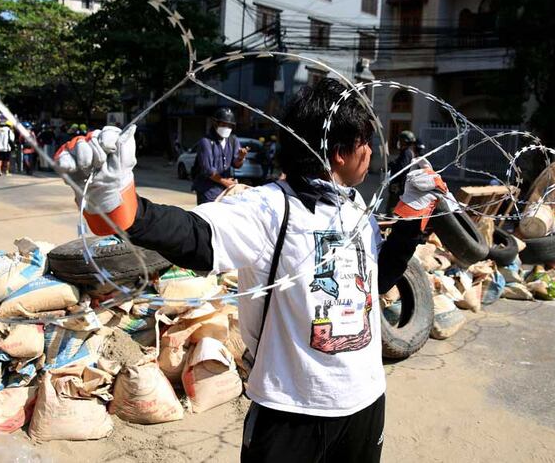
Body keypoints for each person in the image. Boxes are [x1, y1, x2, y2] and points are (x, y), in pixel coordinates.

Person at [55, 78, 455, 462]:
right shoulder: (270, 209)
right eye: (364, 142)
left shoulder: (355, 212)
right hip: (290, 411)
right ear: (339, 152)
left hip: (365, 404)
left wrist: (412, 214)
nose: (370, 152)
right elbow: (193, 236)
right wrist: (119, 203)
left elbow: (378, 281)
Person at [191, 107, 249, 204]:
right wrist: (226, 182)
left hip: (226, 191)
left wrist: (241, 157)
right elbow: (208, 170)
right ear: (215, 123)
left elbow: (236, 164)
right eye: (224, 124)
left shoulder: (233, 140)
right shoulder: (206, 142)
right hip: (208, 191)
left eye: (230, 126)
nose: (227, 128)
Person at [385, 130, 417, 216]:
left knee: (391, 209)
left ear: (404, 142)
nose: (399, 142)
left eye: (400, 140)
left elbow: (402, 168)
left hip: (399, 186)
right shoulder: (407, 152)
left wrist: (392, 165)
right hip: (401, 185)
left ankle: (390, 225)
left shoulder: (406, 153)